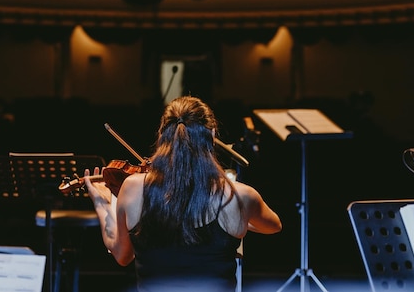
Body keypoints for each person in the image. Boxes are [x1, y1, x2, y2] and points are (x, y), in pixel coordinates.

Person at [84, 95, 282, 292]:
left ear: (162, 134)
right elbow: (273, 226)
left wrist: (103, 204)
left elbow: (122, 255)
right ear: (212, 135)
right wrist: (239, 219)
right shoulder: (240, 196)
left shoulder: (132, 188)